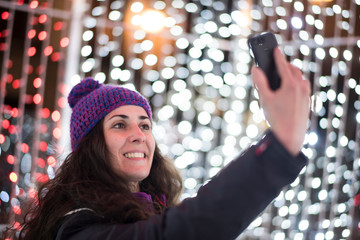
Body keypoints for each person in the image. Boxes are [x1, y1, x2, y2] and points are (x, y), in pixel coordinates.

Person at [5, 47, 311, 240]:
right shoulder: (78, 225)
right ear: (90, 146)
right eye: (120, 124)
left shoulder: (154, 207)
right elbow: (184, 231)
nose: (139, 134)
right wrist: (280, 146)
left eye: (145, 124)